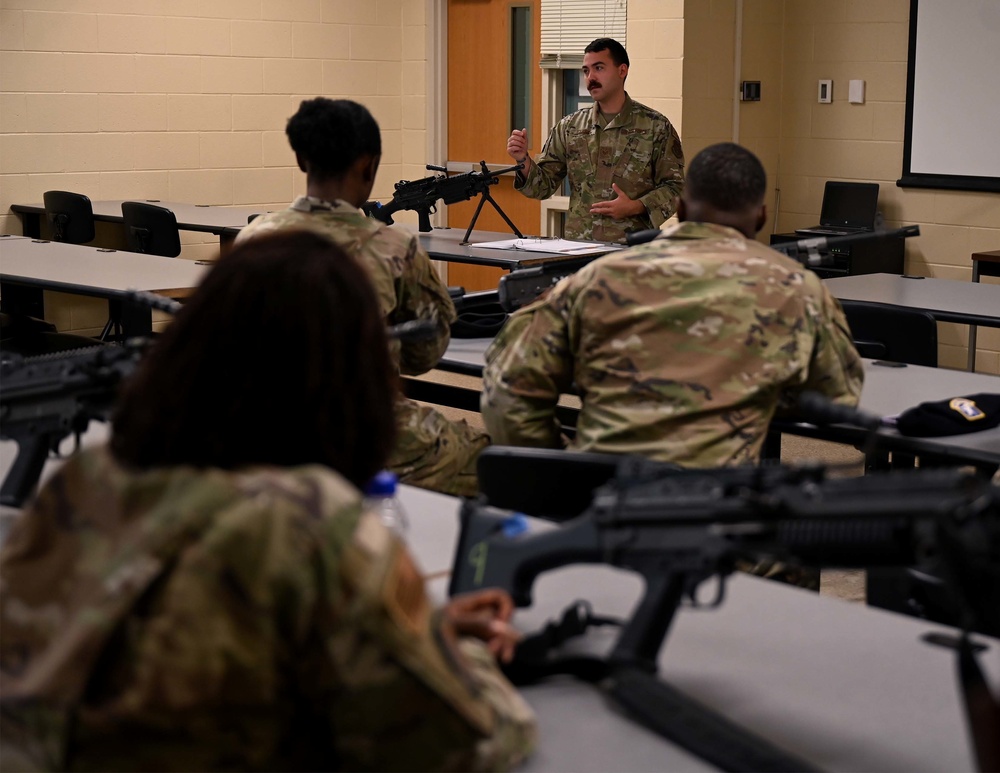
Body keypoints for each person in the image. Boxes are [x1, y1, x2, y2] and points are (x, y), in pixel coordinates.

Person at [0, 231, 536, 772]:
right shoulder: (305, 522)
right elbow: (474, 740)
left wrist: (420, 632)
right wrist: (457, 654)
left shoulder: (85, 481)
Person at [481, 142, 864, 468]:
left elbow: (507, 387)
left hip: (604, 513)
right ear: (761, 216)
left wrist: (560, 473)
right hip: (719, 519)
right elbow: (838, 395)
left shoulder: (598, 278)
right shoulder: (798, 289)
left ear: (679, 208)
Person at [238, 97, 488, 497]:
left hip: (263, 426)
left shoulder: (253, 238)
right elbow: (424, 354)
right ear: (369, 166)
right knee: (497, 461)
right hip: (362, 433)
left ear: (302, 160)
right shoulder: (393, 246)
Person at [506, 37, 684, 244]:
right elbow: (541, 187)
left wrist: (636, 206)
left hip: (631, 251)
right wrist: (523, 161)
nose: (591, 77)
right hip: (578, 247)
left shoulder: (655, 127)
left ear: (622, 70)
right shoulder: (570, 127)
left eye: (599, 68)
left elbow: (676, 188)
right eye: (586, 71)